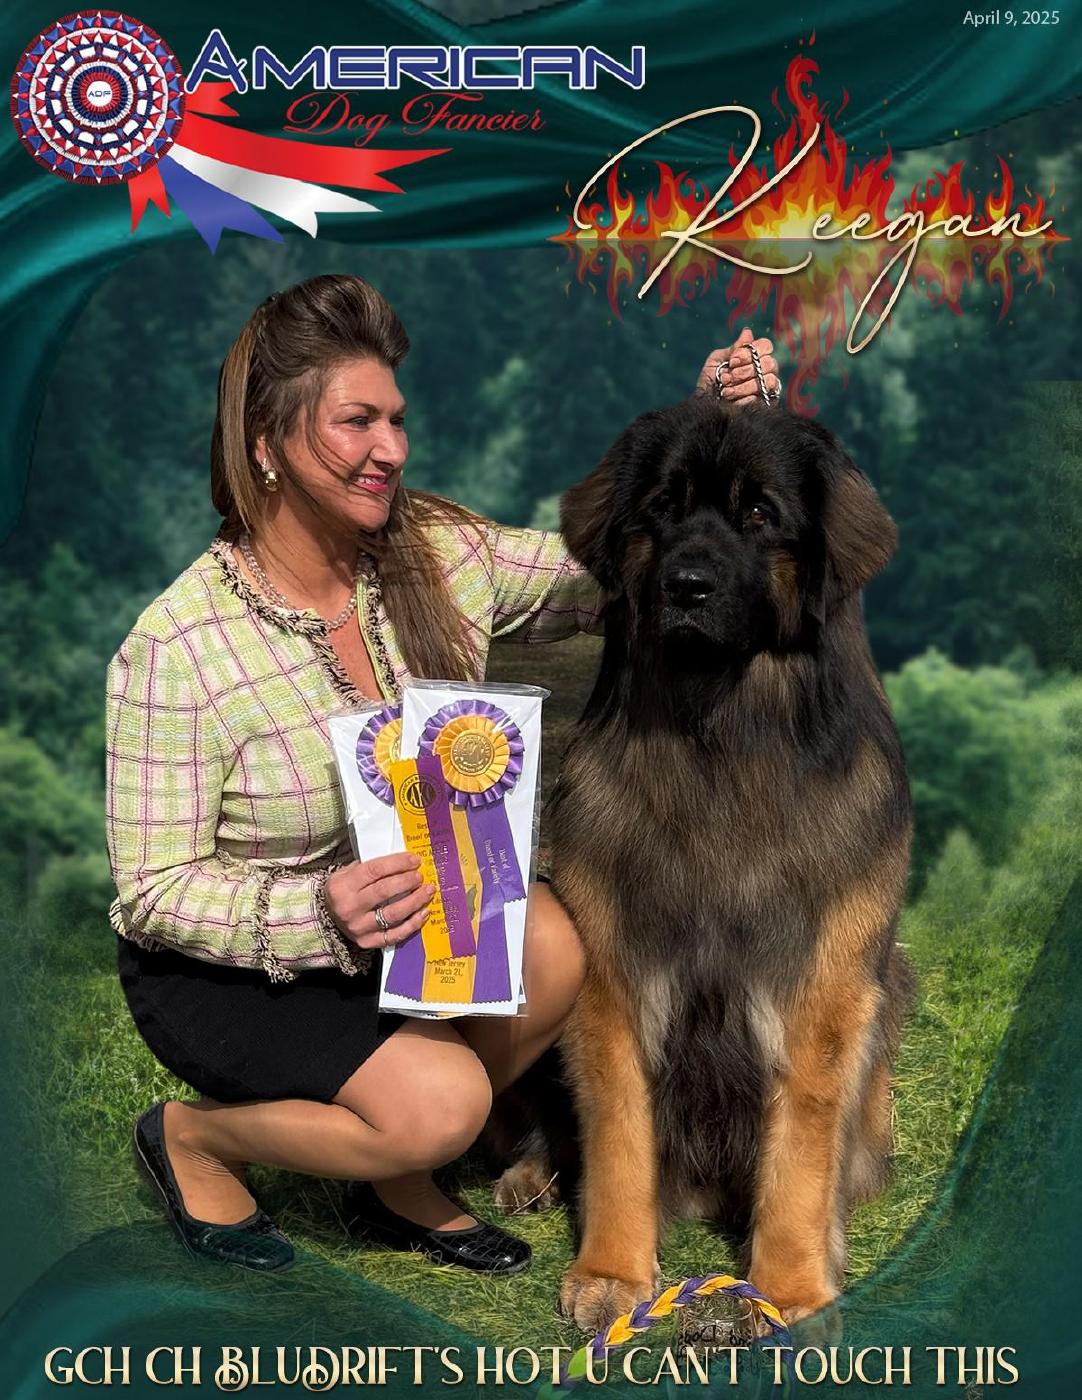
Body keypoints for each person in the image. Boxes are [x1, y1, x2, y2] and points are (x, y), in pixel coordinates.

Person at [105, 274, 781, 1275]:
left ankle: (393, 1174)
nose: (391, 448)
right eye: (357, 422)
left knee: (552, 942)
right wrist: (319, 909)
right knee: (445, 1103)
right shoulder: (177, 645)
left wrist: (702, 425)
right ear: (264, 443)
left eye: (396, 419)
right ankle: (196, 1136)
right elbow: (152, 891)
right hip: (237, 965)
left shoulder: (436, 552)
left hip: (414, 922)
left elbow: (597, 569)